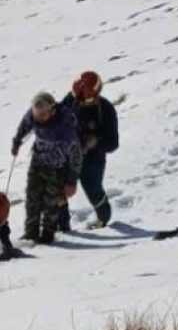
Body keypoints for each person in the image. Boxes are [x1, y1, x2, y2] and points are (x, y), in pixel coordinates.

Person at [11, 92, 81, 244]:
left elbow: (76, 156)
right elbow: (25, 125)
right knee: (32, 198)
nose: (39, 118)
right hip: (37, 162)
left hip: (57, 168)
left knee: (51, 202)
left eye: (43, 114)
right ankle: (31, 232)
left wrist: (71, 181)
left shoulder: (64, 126)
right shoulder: (33, 115)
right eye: (37, 114)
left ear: (52, 110)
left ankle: (48, 233)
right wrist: (17, 141)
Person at [58, 70, 119, 231]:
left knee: (92, 188)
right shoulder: (71, 100)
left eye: (89, 99)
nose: (84, 102)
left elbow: (113, 143)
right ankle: (62, 226)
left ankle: (103, 218)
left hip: (93, 158)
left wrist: (96, 141)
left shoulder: (106, 109)